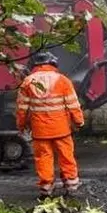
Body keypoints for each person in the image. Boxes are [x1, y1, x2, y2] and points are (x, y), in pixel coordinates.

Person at [16, 52, 85, 197]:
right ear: (53, 63)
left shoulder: (27, 82)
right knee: (66, 156)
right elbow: (73, 104)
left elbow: (22, 109)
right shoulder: (62, 80)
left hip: (40, 131)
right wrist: (79, 121)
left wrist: (21, 126)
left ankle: (46, 187)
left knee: (43, 158)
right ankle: (71, 184)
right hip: (61, 129)